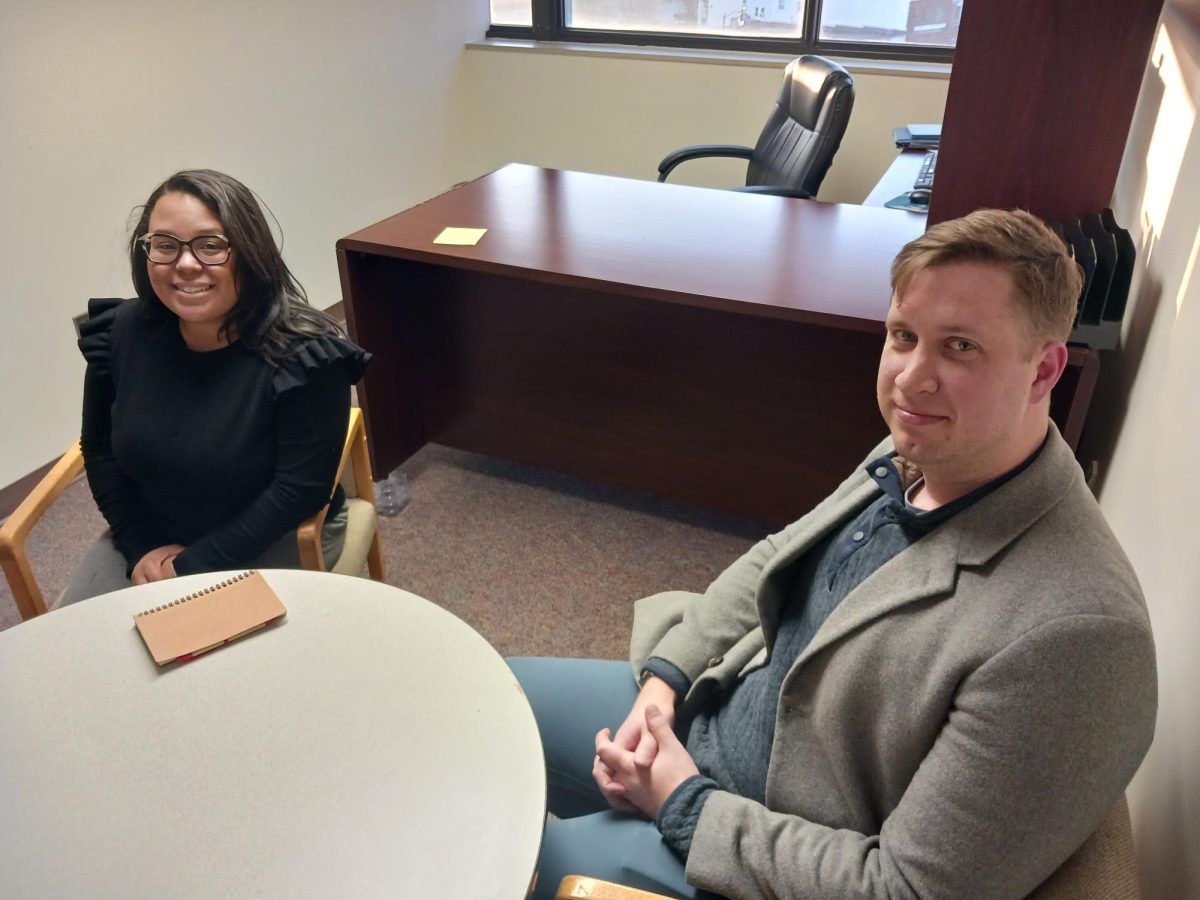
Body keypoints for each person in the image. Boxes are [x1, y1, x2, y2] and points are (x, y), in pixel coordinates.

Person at [511, 208, 1157, 900]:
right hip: (711, 712)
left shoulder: (1077, 639)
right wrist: (664, 684)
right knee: (493, 697)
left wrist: (680, 800)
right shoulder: (918, 451)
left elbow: (907, 890)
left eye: (960, 347)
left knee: (494, 853)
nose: (911, 378)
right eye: (903, 336)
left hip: (757, 847)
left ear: (1044, 369)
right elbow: (772, 558)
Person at [63, 169, 369, 603]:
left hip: (272, 533)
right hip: (154, 535)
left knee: (221, 664)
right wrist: (140, 545)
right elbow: (99, 448)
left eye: (210, 245)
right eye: (165, 245)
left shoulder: (306, 356)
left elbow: (298, 490)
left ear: (249, 253)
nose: (185, 264)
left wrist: (190, 567)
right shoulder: (122, 332)